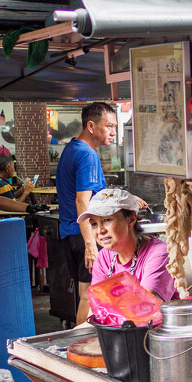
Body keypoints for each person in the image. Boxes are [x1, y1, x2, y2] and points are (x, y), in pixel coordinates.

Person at [56, 102, 117, 325]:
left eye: (114, 127)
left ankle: (82, 346)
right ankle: (82, 350)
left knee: (85, 295)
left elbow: (90, 195)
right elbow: (82, 201)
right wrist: (91, 244)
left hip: (71, 234)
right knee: (90, 297)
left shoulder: (71, 148)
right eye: (108, 126)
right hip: (86, 236)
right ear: (91, 126)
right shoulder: (87, 155)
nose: (113, 132)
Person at [80, 188, 179, 302]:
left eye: (107, 220)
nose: (100, 230)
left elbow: (146, 306)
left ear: (131, 219)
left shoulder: (159, 253)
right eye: (93, 224)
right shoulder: (103, 258)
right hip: (117, 320)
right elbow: (96, 308)